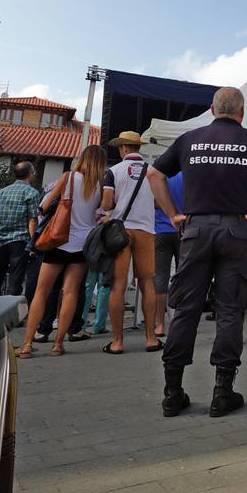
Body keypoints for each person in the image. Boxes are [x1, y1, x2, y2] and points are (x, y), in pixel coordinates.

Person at [154, 87, 247, 417]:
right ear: (242, 113)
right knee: (230, 310)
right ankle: (222, 392)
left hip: (196, 229)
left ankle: (172, 392)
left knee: (186, 309)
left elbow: (154, 173)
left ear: (212, 109)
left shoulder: (190, 139)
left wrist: (173, 213)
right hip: (236, 230)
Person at [16, 145, 108, 358]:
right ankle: (58, 344)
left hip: (59, 240)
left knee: (42, 291)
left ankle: (28, 344)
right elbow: (103, 211)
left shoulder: (68, 177)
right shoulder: (101, 185)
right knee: (71, 291)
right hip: (84, 244)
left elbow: (45, 205)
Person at [101, 132, 167, 354]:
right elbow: (159, 202)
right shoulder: (152, 172)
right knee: (147, 283)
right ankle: (150, 339)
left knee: (118, 285)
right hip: (146, 230)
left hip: (121, 232)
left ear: (122, 149)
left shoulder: (113, 171)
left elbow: (107, 203)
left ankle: (117, 342)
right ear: (138, 148)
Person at [0, 161, 41, 297]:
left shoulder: (1, 192)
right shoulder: (32, 193)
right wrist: (33, 242)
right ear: (30, 174)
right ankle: (11, 309)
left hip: (0, 239)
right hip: (20, 239)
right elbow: (32, 219)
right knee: (15, 278)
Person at [151, 171, 184, 335]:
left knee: (160, 279)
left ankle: (159, 324)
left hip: (161, 230)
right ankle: (180, 321)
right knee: (183, 276)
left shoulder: (159, 175)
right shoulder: (188, 174)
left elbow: (153, 202)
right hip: (183, 230)